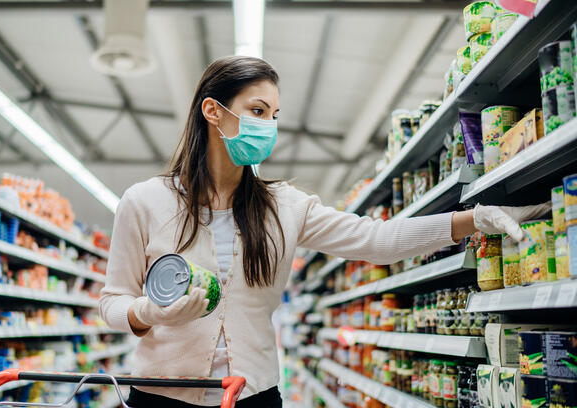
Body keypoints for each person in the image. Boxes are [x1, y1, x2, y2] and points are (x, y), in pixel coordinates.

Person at [99, 56, 549, 408]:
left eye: (274, 114)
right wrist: (148, 313)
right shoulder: (143, 202)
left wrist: (475, 217)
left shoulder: (285, 206)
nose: (268, 126)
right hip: (159, 395)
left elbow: (378, 241)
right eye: (257, 110)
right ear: (213, 112)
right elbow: (112, 301)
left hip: (254, 396)